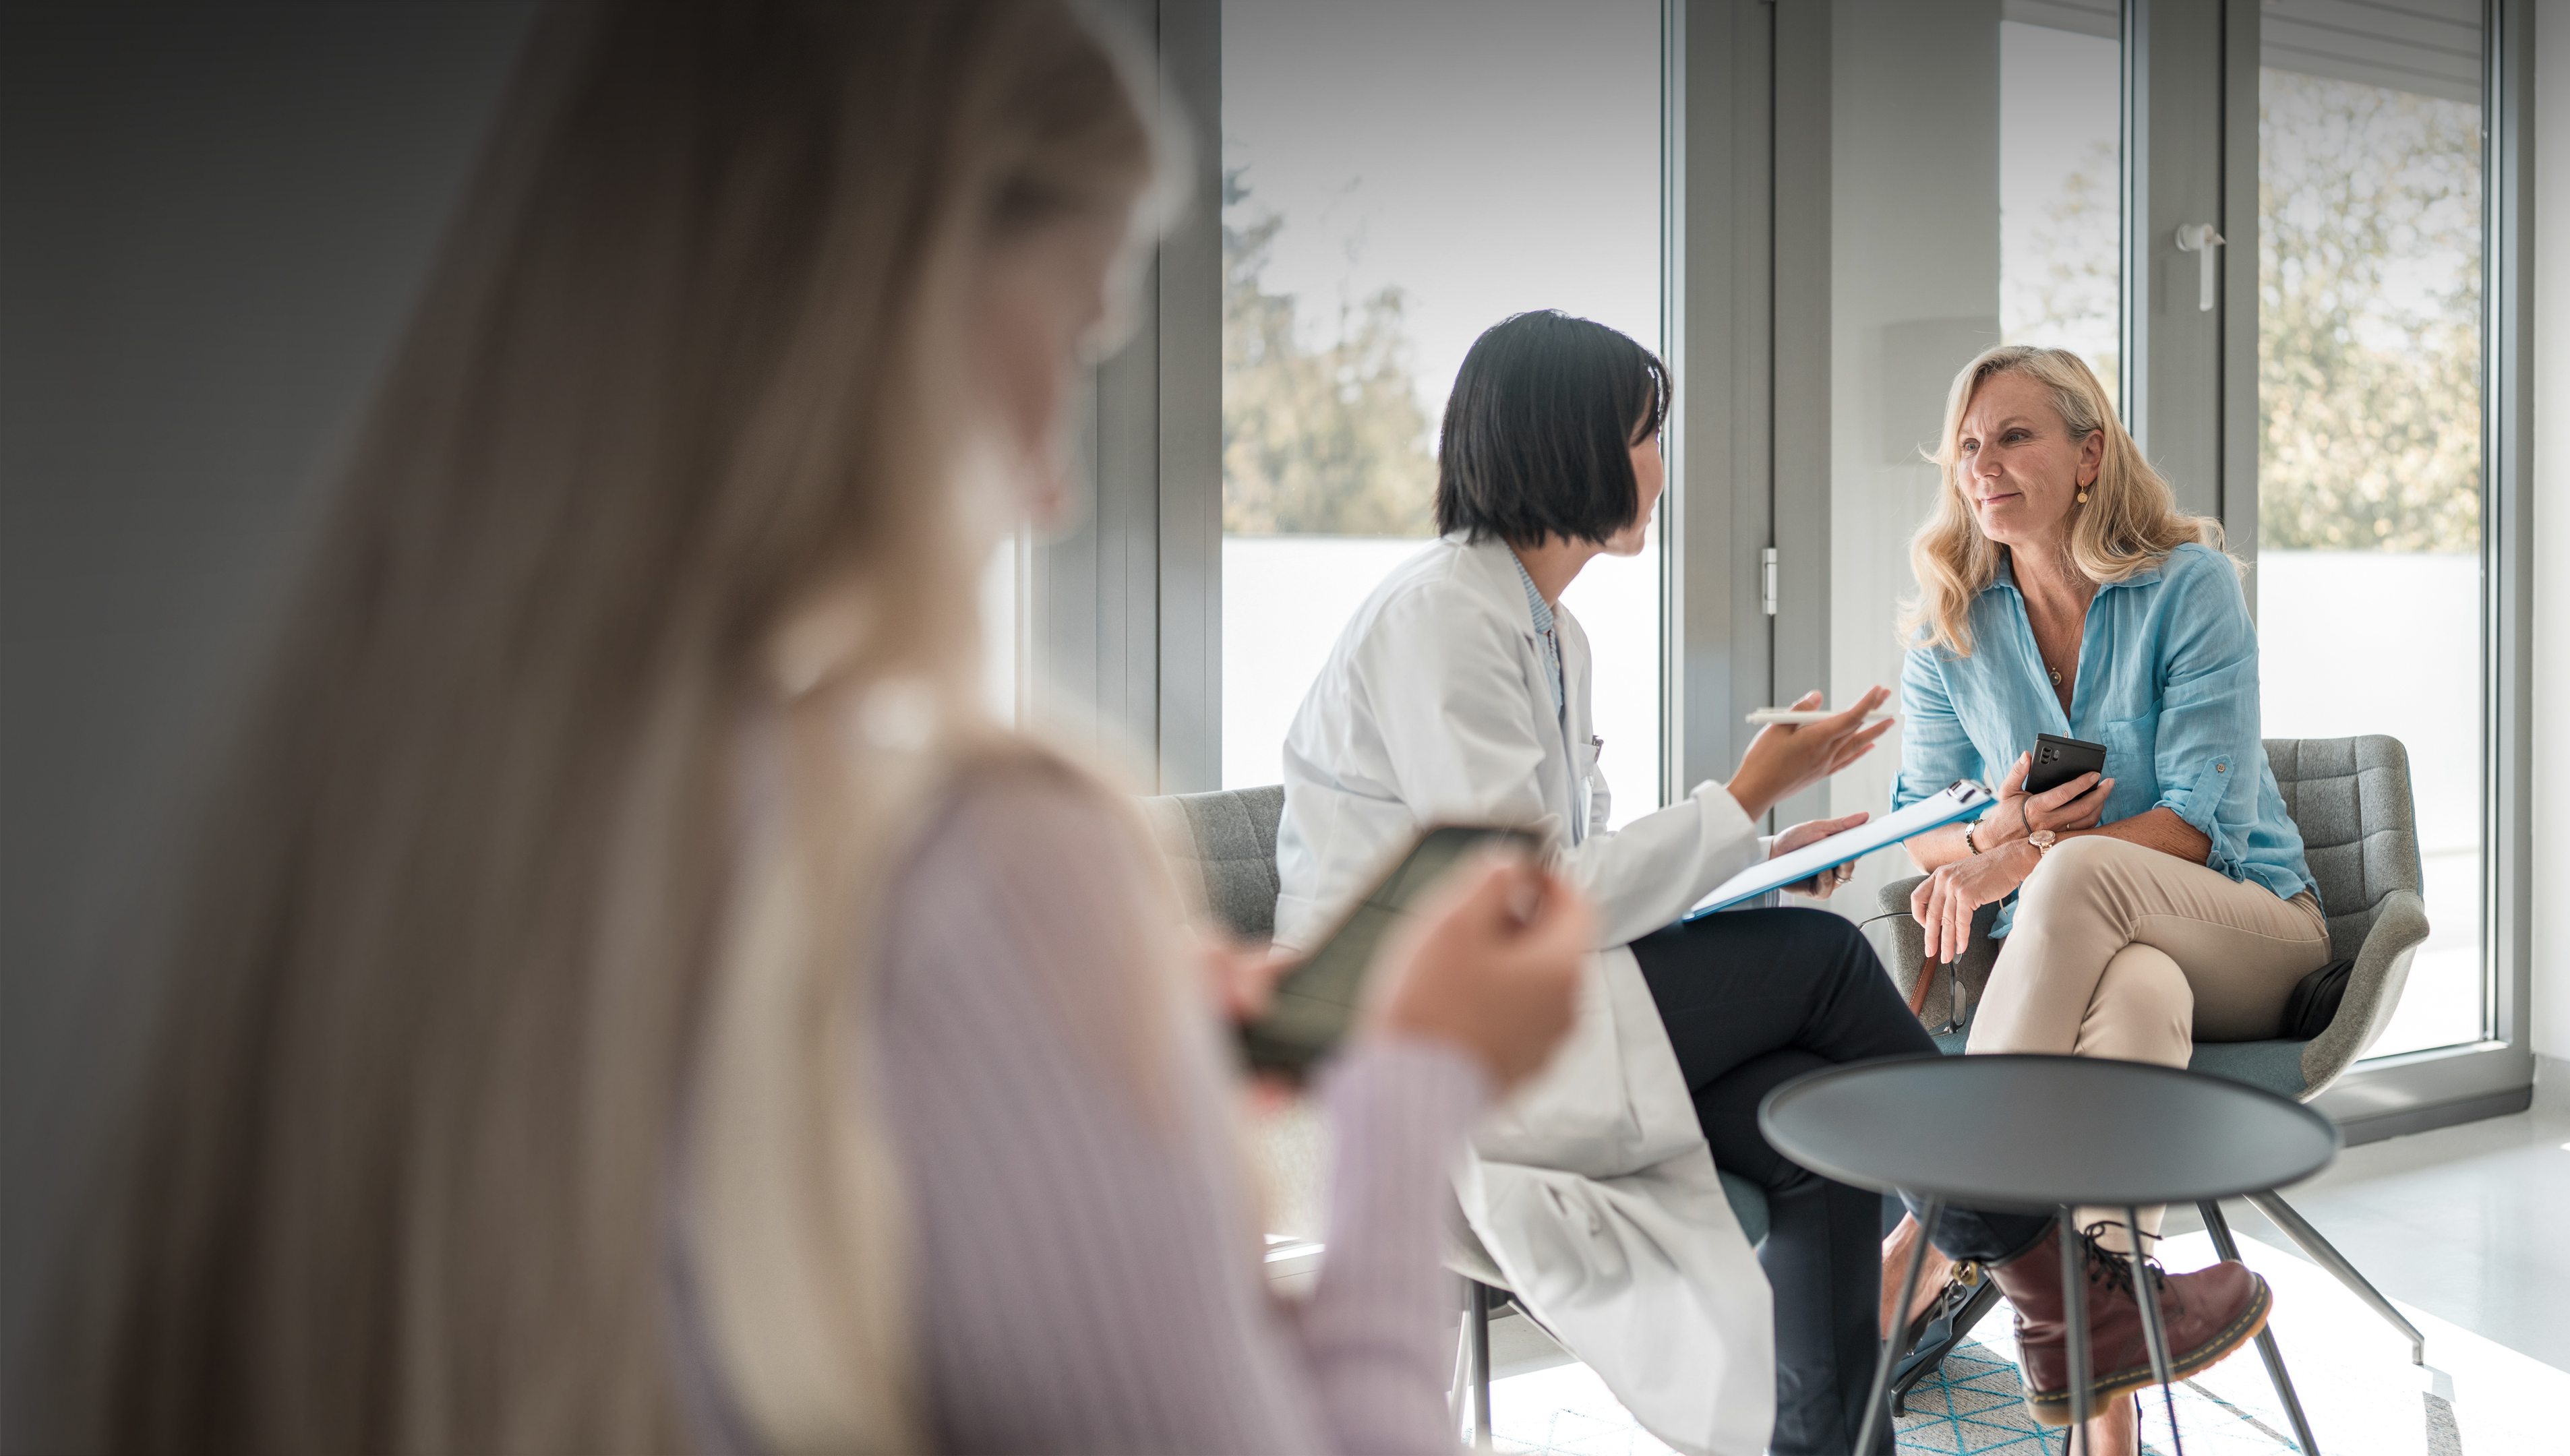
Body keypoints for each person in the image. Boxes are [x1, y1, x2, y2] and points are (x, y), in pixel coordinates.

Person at [38, 5, 1594, 1455]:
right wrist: (1413, 1087)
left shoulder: (346, 817)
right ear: (887, 298)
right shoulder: (984, 863)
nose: (1054, 478)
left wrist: (1076, 1056)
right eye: (1073, 337)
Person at [1278, 309, 1938, 1456]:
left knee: (1809, 1132)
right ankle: (2028, 1253)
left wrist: (1762, 855)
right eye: (1647, 437)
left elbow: (1568, 867)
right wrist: (1736, 805)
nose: (1663, 469)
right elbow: (1532, 900)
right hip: (1430, 1039)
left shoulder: (1547, 633)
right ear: (1570, 446)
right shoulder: (1443, 619)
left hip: (1528, 1006)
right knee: (1828, 965)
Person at [1881, 344, 2310, 1445]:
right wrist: (2004, 830)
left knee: (2082, 882)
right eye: (1969, 445)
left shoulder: (2191, 587)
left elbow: (2199, 826)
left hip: (2253, 927)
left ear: (2089, 455)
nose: (1983, 465)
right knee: (2136, 999)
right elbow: (1926, 827)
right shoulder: (1951, 628)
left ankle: (1927, 1242)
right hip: (2105, 959)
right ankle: (2098, 1393)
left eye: (2014, 436)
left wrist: (2022, 857)